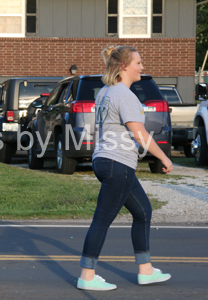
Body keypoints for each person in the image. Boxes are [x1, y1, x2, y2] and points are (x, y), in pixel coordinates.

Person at [76, 46, 173, 291]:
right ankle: (87, 277)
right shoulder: (125, 95)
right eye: (138, 63)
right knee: (102, 219)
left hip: (106, 160)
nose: (142, 67)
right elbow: (139, 134)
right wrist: (164, 158)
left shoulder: (105, 92)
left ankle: (146, 270)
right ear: (123, 67)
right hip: (117, 163)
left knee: (142, 211)